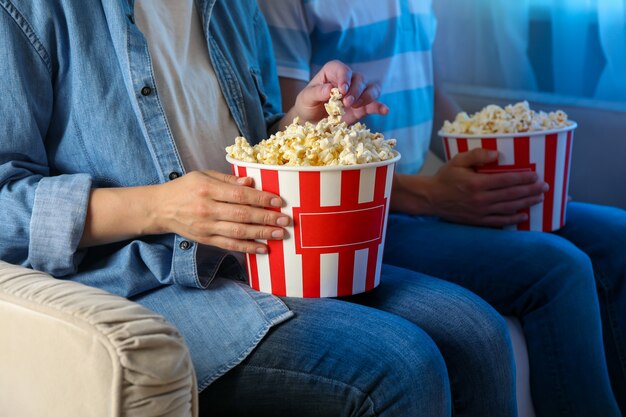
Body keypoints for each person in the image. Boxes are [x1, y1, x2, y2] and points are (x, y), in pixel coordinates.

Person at [0, 1, 523, 416]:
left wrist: (301, 122)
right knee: (401, 365)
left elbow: (248, 145)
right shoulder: (29, 9)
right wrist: (160, 207)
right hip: (144, 284)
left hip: (258, 255)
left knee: (477, 331)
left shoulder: (231, 5)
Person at [258, 0, 626, 416]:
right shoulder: (280, 6)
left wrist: (502, 173)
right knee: (560, 269)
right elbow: (289, 153)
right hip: (365, 220)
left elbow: (431, 96)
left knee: (616, 235)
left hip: (423, 198)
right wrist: (431, 195)